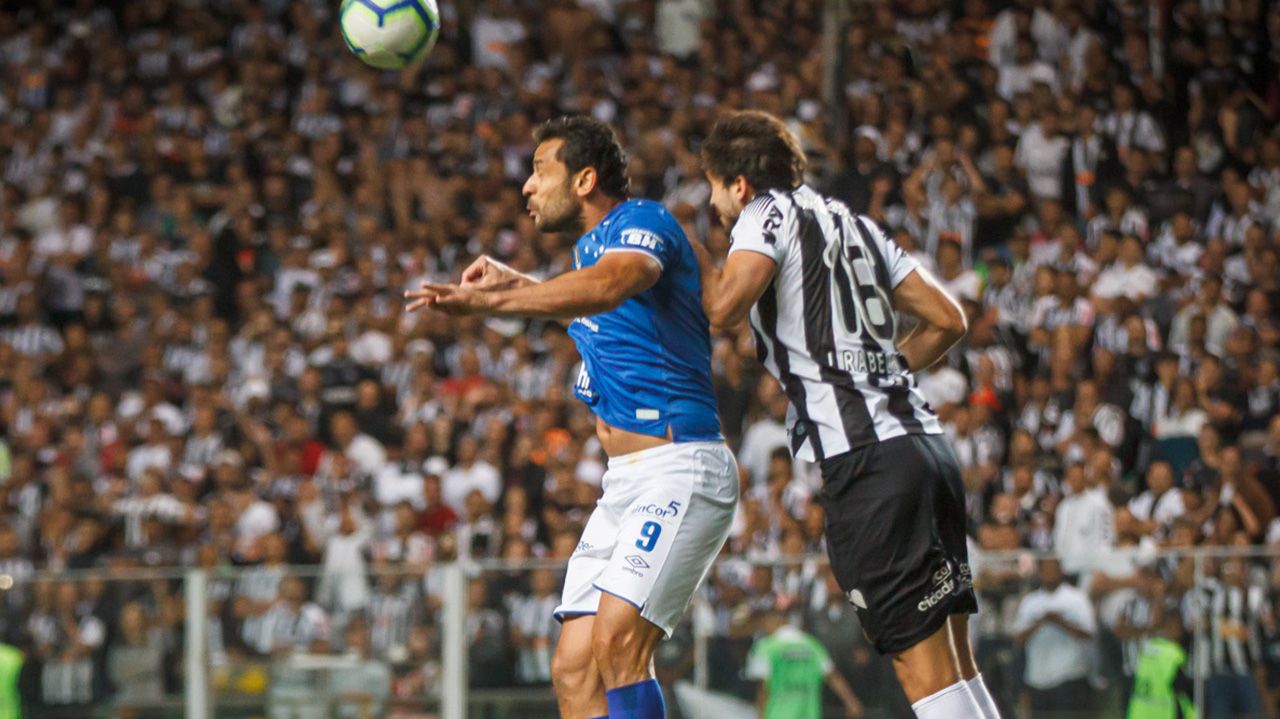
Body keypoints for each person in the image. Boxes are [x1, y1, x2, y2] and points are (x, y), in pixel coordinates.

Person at [404, 116, 738, 719]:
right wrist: (513, 283)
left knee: (618, 643)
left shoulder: (643, 222)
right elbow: (595, 307)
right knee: (574, 669)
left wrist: (494, 302)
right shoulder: (589, 252)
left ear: (584, 180)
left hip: (679, 465)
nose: (527, 187)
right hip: (624, 482)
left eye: (540, 170)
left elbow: (610, 287)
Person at [692, 109, 998, 718]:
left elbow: (723, 308)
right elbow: (949, 319)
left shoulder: (764, 213)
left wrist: (682, 247)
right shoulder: (852, 222)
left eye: (713, 187)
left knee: (923, 670)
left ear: (740, 184)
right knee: (956, 663)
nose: (712, 202)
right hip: (926, 449)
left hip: (869, 463)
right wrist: (879, 372)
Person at [1012, 558, 1098, 717]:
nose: (1049, 574)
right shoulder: (1030, 601)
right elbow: (1017, 639)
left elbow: (1088, 633)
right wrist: (1041, 622)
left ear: (1061, 571)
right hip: (1037, 679)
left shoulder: (1076, 598)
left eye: (1053, 569)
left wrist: (1060, 622)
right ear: (1039, 572)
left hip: (1069, 676)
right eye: (1045, 570)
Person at [744, 606, 864, 719]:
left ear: (769, 621)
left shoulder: (766, 647)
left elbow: (762, 688)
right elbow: (833, 676)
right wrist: (851, 701)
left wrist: (760, 715)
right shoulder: (812, 645)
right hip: (808, 714)